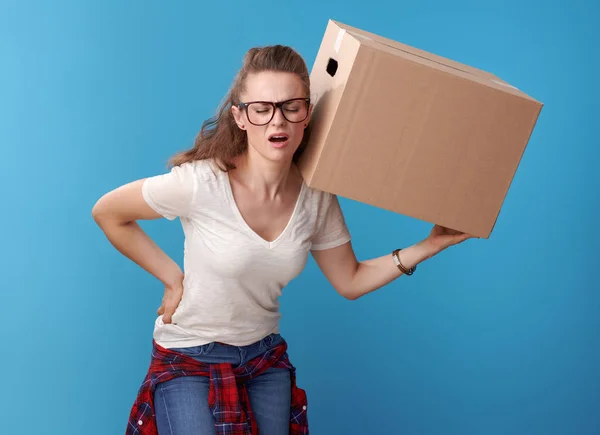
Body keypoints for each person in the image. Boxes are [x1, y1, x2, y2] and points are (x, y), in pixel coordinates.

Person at [92, 44, 473, 435]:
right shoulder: (201, 183)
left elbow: (351, 280)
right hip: (190, 355)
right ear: (240, 117)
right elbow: (108, 212)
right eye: (262, 108)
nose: (278, 122)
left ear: (307, 113)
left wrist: (430, 244)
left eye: (291, 106)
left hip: (263, 358)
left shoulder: (316, 196)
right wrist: (172, 277)